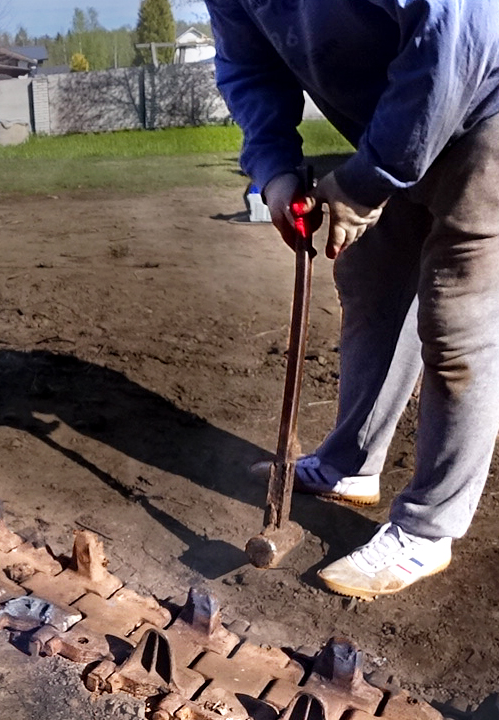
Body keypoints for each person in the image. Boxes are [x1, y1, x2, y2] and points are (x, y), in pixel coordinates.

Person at [207, 0, 499, 598]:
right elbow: (249, 67)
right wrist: (274, 169)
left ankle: (428, 529)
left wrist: (367, 182)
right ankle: (351, 464)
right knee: (371, 279)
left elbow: (454, 39)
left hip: (484, 109)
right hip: (393, 122)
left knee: (458, 320)